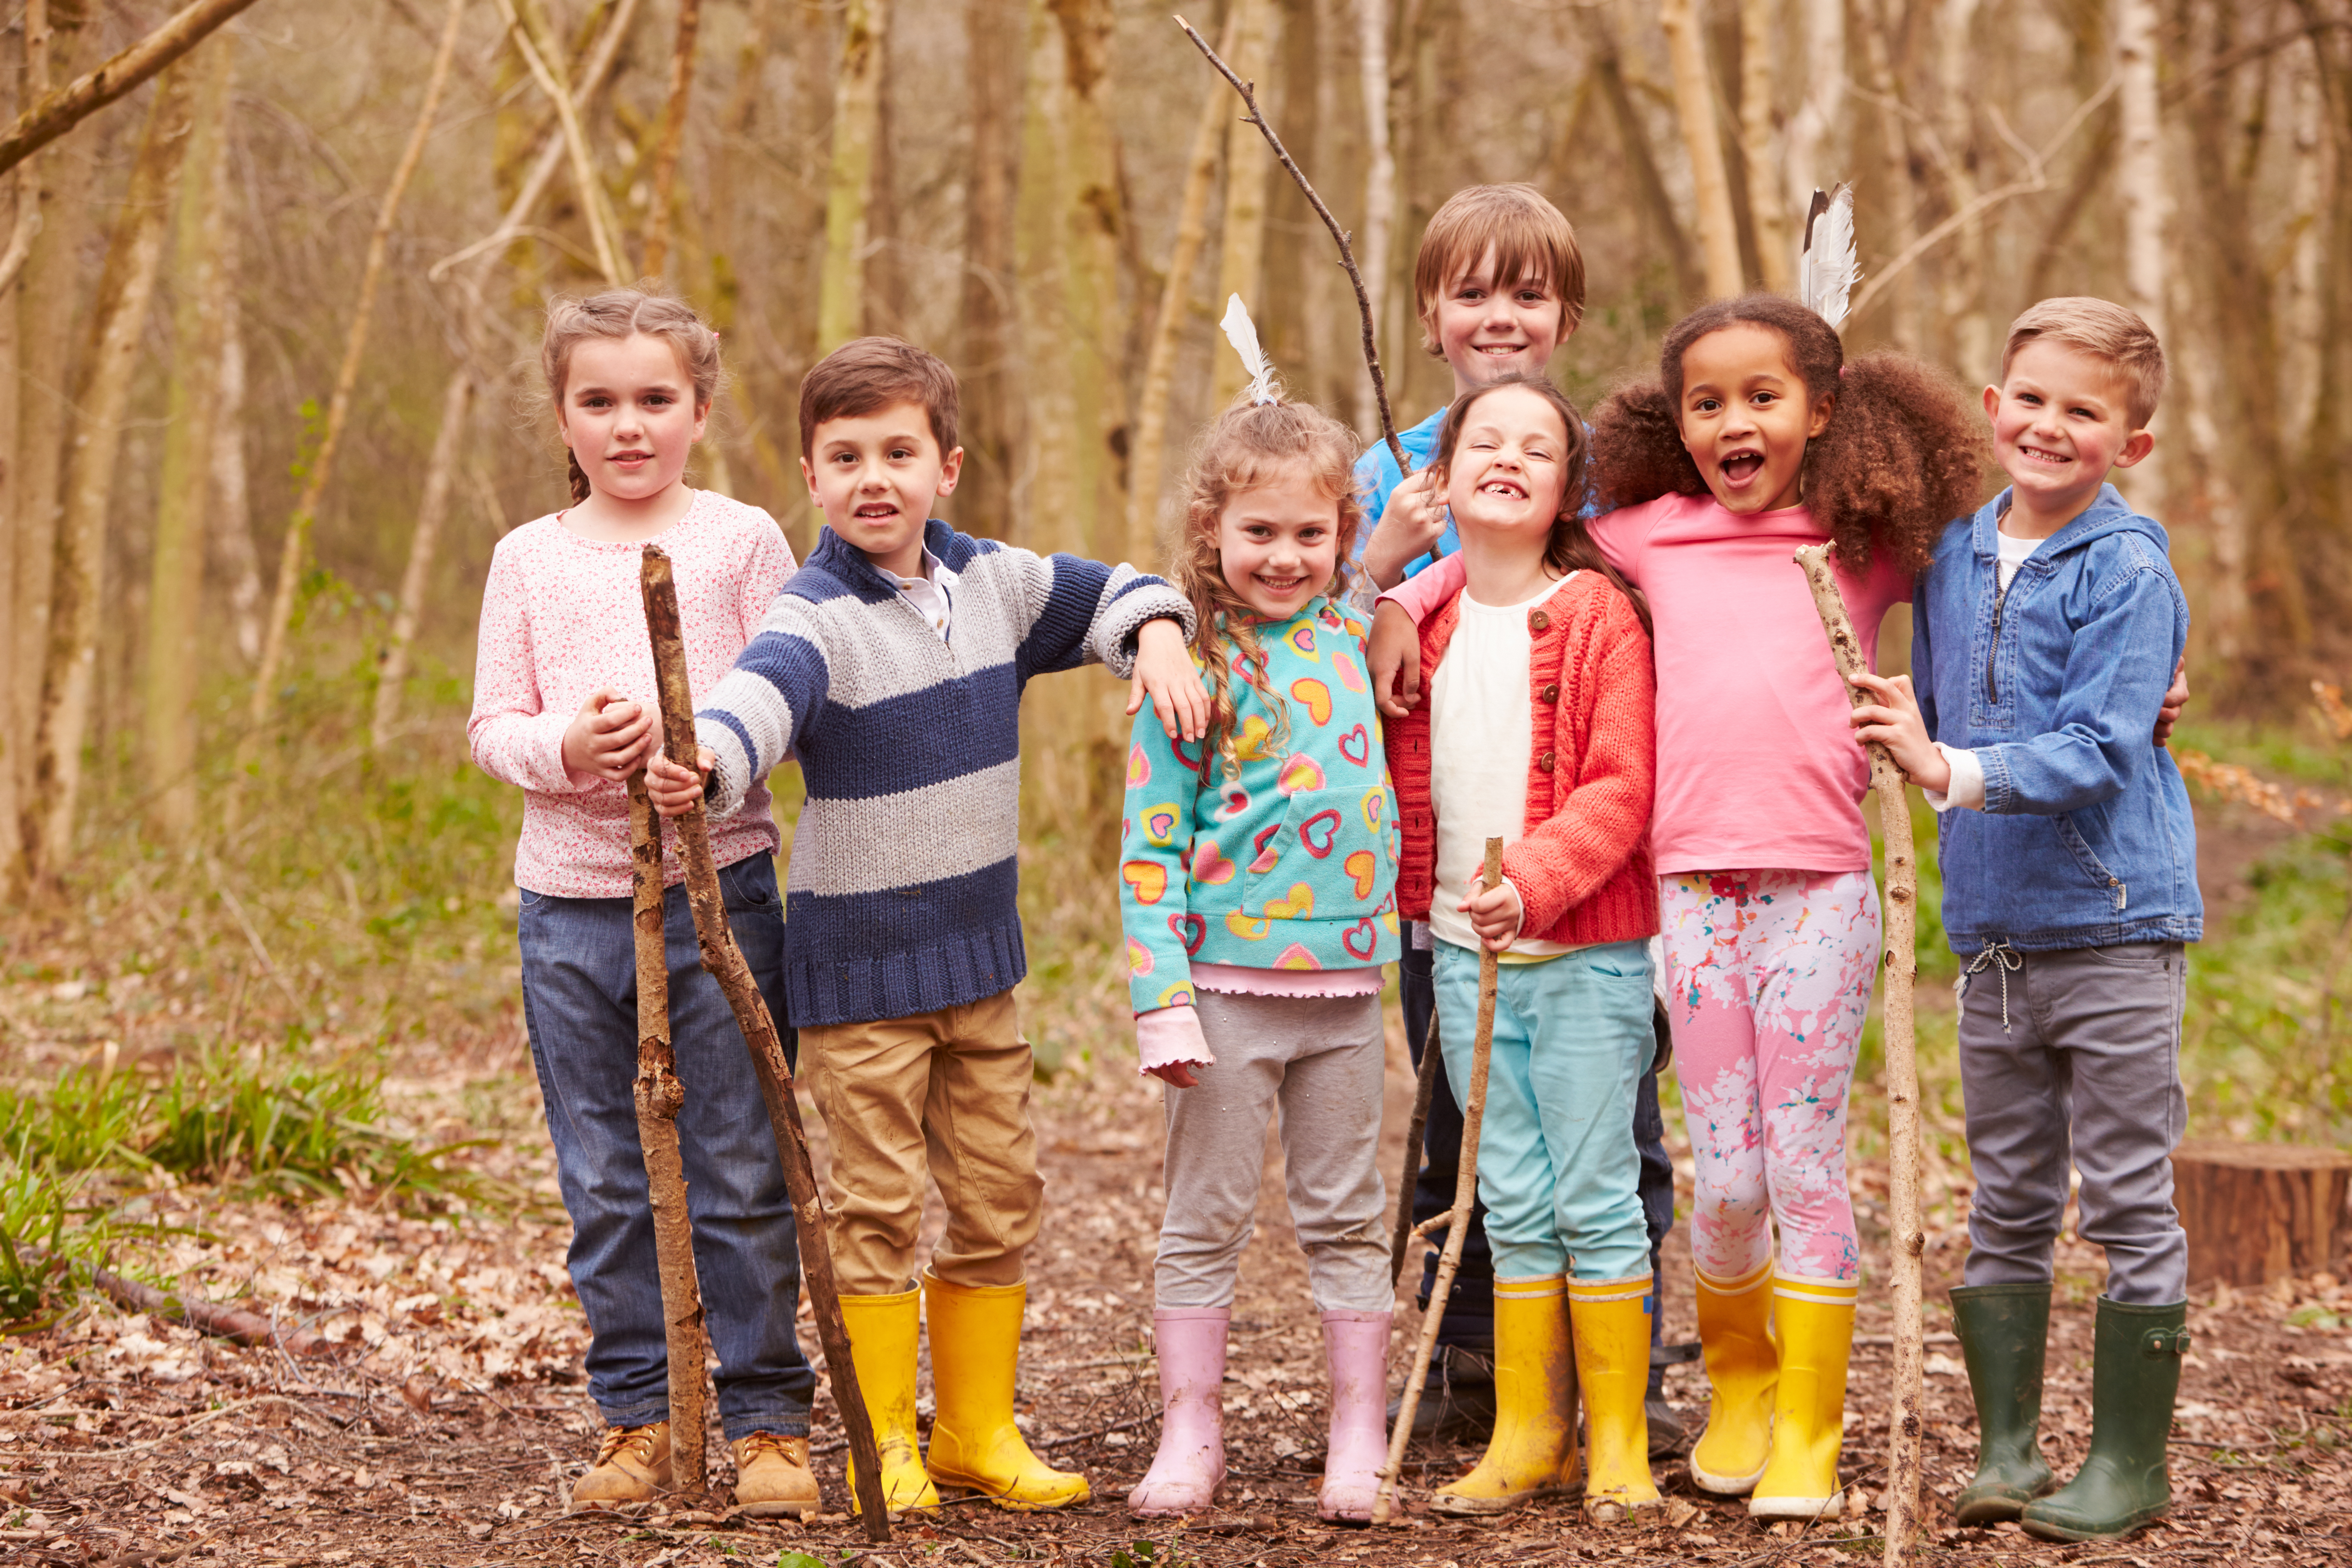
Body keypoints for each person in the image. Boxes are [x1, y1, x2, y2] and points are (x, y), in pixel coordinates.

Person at [1375, 294, 1985, 1519]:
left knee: (1805, 1164)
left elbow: (2006, 563)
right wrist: (1397, 597)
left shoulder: (1865, 537)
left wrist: (2142, 679)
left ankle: (1810, 1428)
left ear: (1825, 411)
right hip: (1689, 900)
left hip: (1823, 889)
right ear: (1675, 422)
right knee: (1726, 1179)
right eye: (1708, 402)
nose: (1735, 422)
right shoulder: (1648, 534)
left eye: (1765, 397)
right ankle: (1743, 1385)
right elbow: (1512, 545)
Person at [646, 336, 1208, 1515]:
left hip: (983, 975)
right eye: (845, 456)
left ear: (946, 466)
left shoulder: (994, 586)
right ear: (812, 475)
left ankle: (976, 1431)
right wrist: (707, 759)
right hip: (860, 988)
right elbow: (758, 698)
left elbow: (1115, 592)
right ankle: (881, 1441)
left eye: (899, 452)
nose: (874, 478)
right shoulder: (815, 617)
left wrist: (1157, 633)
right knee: (879, 1209)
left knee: (1002, 1195)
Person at [1848, 298, 2199, 1544]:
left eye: (2085, 412)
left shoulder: (2129, 568)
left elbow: (2104, 748)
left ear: (2131, 444)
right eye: (2033, 400)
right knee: (2006, 1195)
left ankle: (2127, 1464)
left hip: (2112, 926)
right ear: (1993, 409)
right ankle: (2006, 1449)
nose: (2051, 427)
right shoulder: (1947, 554)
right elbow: (1939, 707)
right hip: (1992, 932)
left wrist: (1946, 770)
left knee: (2124, 1200)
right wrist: (1909, 729)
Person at [467, 289, 821, 1517]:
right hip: (569, 909)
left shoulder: (742, 541)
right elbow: (491, 727)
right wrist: (570, 741)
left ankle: (769, 1418)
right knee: (607, 1176)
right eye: (599, 402)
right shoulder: (529, 556)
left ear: (701, 411)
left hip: (720, 892)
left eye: (655, 400)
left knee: (734, 1159)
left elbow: (793, 694)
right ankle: (639, 1419)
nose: (629, 426)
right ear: (563, 417)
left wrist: (711, 761)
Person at [1351, 183, 1684, 1451]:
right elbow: (1302, 618)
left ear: (1568, 314)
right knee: (1463, 1134)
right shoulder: (1392, 472)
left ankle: (1620, 1390)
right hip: (1442, 891)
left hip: (1591, 878)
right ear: (1429, 313)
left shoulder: (1607, 468)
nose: (1502, 316)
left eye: (1529, 293)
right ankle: (1483, 1377)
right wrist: (1379, 579)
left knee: (1615, 1134)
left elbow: (1666, 581)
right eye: (1473, 291)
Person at [1117, 385, 1401, 1525]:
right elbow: (1148, 848)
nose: (1285, 557)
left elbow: (1395, 565)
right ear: (1211, 535)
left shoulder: (1354, 626)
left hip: (1348, 993)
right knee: (1207, 1215)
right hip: (1226, 993)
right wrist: (1162, 1002)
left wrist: (1395, 572)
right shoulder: (1189, 668)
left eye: (1309, 534)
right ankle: (1191, 1430)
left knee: (1345, 1211)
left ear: (1339, 536)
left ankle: (1359, 1432)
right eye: (1259, 534)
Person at [1383, 374, 1661, 1522]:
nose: (1508, 457)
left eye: (1535, 448)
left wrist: (1535, 885)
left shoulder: (1597, 614)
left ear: (1567, 487)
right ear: (1440, 480)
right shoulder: (1422, 626)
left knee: (1598, 1195)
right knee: (1509, 1195)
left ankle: (1620, 1451)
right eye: (1481, 442)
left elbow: (1623, 784)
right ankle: (1529, 1432)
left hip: (1584, 959)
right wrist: (1380, 591)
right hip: (1461, 953)